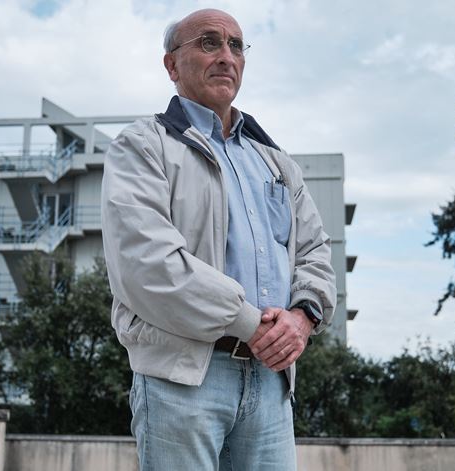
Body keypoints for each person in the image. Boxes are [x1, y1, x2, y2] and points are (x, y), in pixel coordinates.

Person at [101, 8, 336, 470]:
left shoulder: (276, 162)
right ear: (171, 65)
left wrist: (302, 318)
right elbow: (147, 264)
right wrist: (256, 325)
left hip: (272, 383)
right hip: (183, 379)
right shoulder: (142, 146)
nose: (226, 56)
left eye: (236, 45)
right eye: (209, 43)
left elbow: (315, 251)